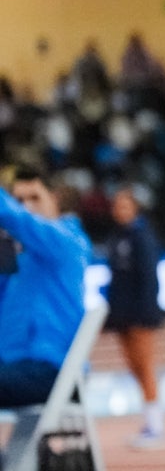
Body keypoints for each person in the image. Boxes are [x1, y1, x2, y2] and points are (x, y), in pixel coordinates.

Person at [0, 166, 92, 408]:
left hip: (51, 369)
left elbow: (18, 219)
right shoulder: (18, 255)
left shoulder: (67, 240)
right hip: (15, 364)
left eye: (35, 198)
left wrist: (9, 210)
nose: (27, 207)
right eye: (19, 200)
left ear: (55, 199)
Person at [105, 184, 165, 450]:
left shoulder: (142, 237)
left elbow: (148, 279)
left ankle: (156, 427)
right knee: (134, 368)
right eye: (117, 206)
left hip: (139, 314)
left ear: (135, 208)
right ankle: (149, 423)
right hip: (122, 315)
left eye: (125, 206)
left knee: (144, 366)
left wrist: (145, 312)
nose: (119, 211)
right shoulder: (118, 237)